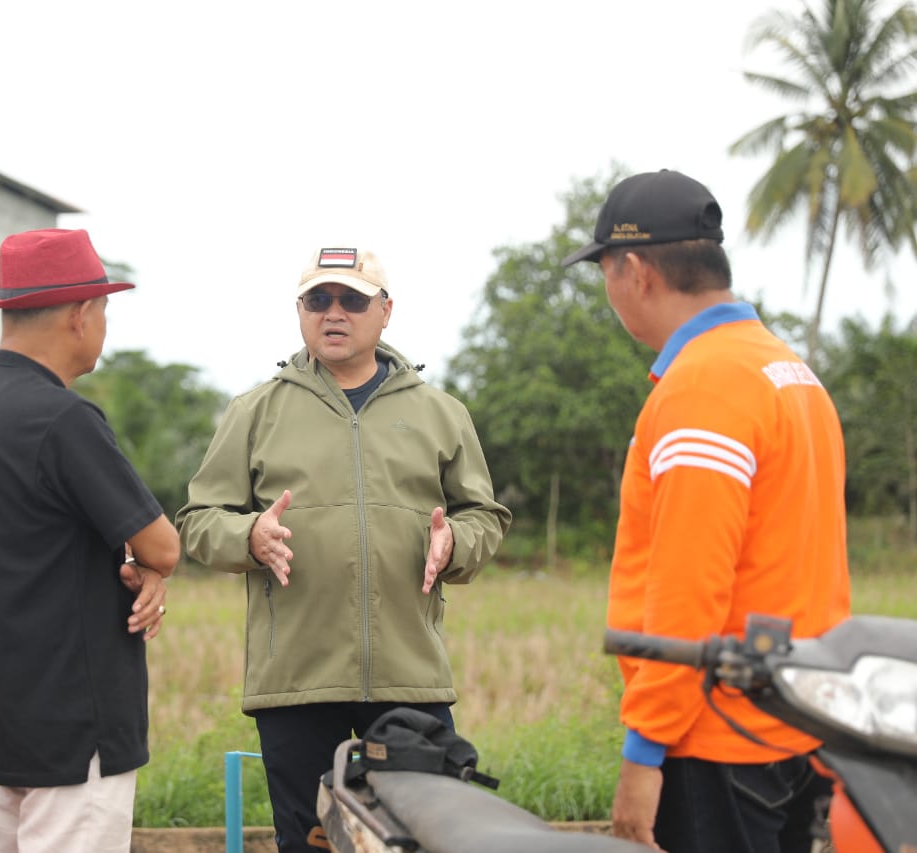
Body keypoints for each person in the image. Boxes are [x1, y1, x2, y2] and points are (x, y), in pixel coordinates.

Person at [176, 246, 512, 852]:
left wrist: (455, 539)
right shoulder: (255, 411)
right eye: (318, 299)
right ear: (299, 311)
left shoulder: (441, 413)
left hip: (410, 678)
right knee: (309, 842)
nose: (335, 313)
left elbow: (485, 515)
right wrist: (248, 536)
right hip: (297, 677)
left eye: (353, 299)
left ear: (385, 312)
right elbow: (199, 520)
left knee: (421, 839)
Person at [563, 169, 852, 852]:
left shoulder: (703, 388)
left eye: (605, 270)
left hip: (719, 738)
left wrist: (644, 750)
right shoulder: (788, 371)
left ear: (634, 270)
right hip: (799, 725)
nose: (610, 291)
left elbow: (689, 586)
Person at [0, 228, 179, 853]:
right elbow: (163, 546)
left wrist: (127, 559)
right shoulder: (62, 417)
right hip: (77, 730)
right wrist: (145, 564)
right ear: (80, 315)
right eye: (103, 308)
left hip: (8, 721)